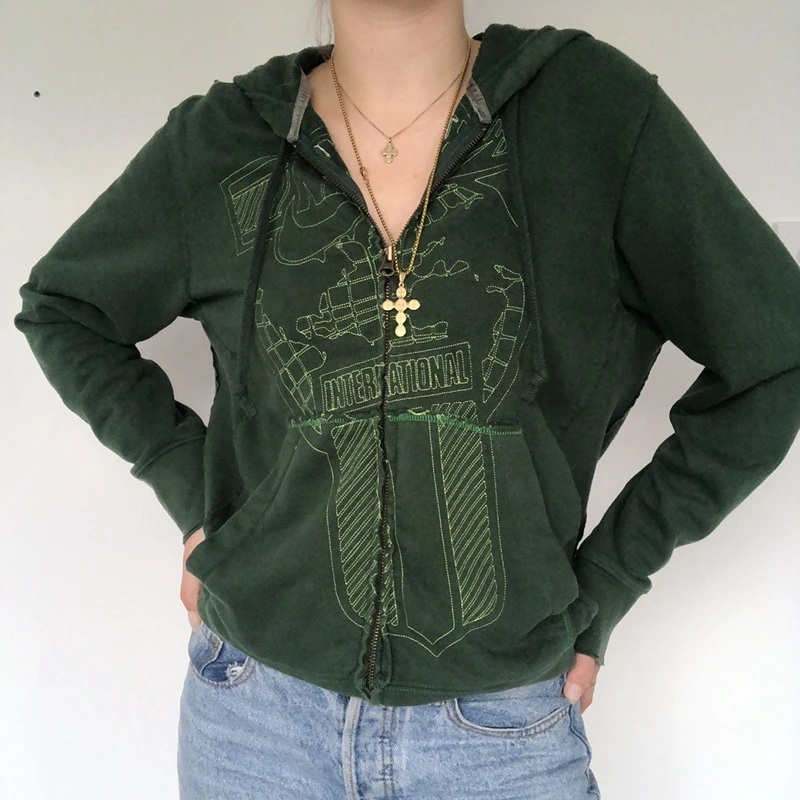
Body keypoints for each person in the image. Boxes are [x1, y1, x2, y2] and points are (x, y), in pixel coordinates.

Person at [13, 0, 800, 797]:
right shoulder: (223, 140)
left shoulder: (592, 114)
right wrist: (194, 496)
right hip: (253, 716)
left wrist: (611, 577)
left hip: (498, 735)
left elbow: (775, 352)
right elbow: (66, 308)